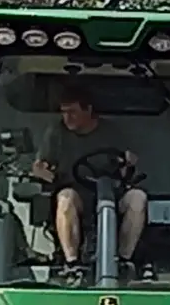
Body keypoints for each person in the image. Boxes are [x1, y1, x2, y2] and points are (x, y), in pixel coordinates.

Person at [31, 83, 147, 268]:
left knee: (137, 198)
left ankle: (124, 260)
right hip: (78, 195)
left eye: (73, 112)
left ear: (89, 110)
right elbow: (40, 166)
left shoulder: (111, 132)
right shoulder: (56, 132)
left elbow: (126, 165)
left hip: (110, 193)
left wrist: (129, 163)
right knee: (65, 198)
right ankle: (72, 263)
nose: (66, 117)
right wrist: (42, 171)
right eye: (64, 112)